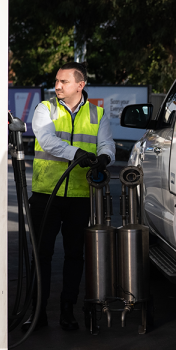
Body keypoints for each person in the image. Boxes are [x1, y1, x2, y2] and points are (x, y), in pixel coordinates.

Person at [27, 62, 115, 331]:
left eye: (63, 82)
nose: (57, 86)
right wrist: (76, 153)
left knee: (75, 256)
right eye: (56, 81)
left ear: (80, 84)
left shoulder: (98, 114)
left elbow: (107, 143)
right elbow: (47, 140)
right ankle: (37, 313)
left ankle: (68, 310)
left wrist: (104, 158)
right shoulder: (46, 109)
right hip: (46, 195)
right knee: (41, 254)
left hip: (79, 197)